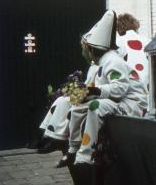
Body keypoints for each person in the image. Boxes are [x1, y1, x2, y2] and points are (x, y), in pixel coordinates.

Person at [39, 11, 148, 166]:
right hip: (116, 101)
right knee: (71, 103)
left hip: (131, 105)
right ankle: (61, 141)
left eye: (84, 49)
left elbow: (120, 88)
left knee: (95, 106)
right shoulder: (99, 64)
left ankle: (85, 155)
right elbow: (94, 86)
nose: (83, 53)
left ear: (90, 49)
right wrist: (77, 93)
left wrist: (95, 92)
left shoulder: (113, 61)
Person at [115, 13, 151, 89]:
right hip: (147, 83)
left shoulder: (118, 42)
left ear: (119, 29)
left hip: (129, 84)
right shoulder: (147, 41)